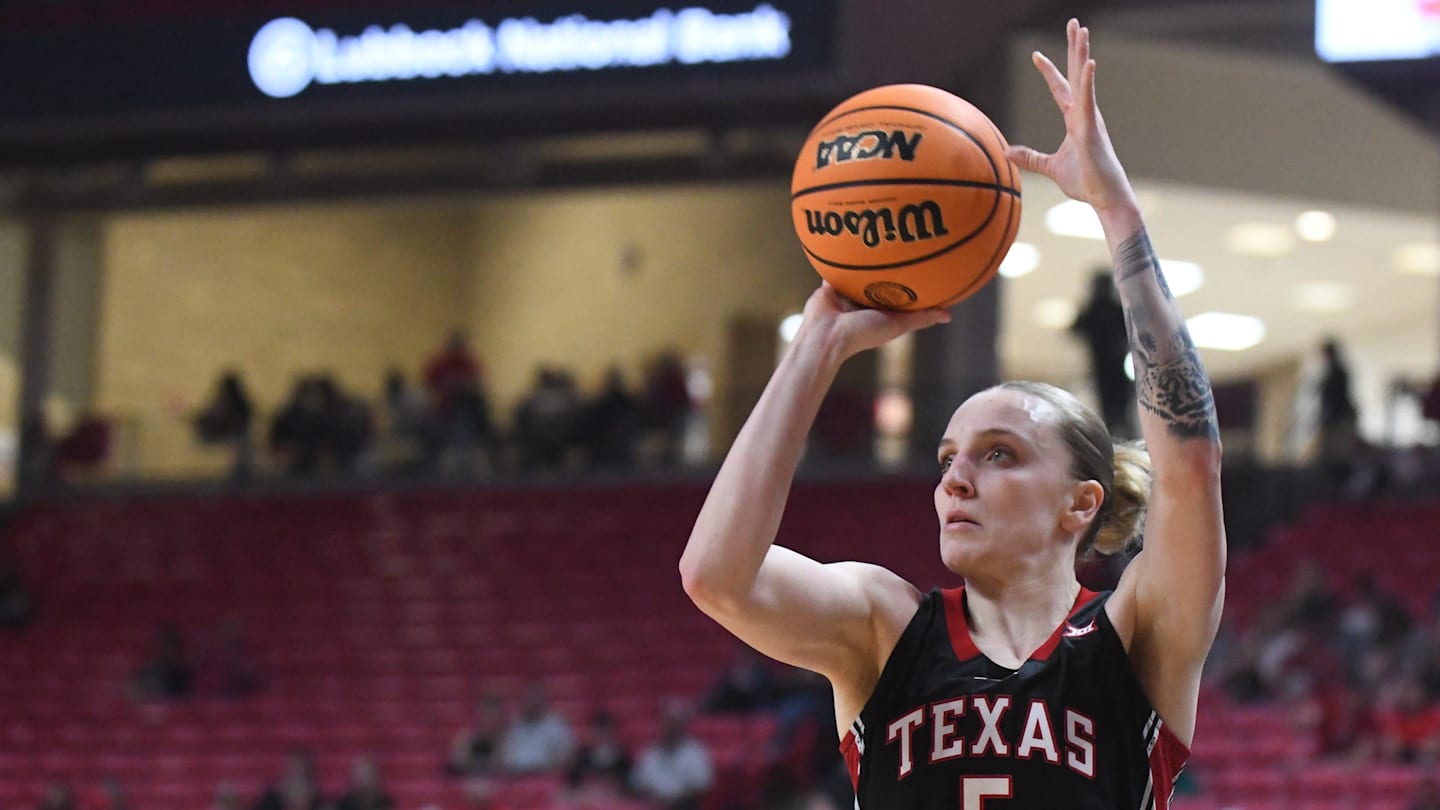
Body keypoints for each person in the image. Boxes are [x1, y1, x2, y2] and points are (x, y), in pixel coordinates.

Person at [679, 20, 1224, 810]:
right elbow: (715, 577)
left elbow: (1191, 462)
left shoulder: (1139, 634)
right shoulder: (883, 625)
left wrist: (1115, 211)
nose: (957, 478)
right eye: (946, 459)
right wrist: (816, 351)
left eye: (1000, 453)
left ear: (1082, 501)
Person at [1071, 269, 1135, 437]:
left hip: (1111, 368)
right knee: (1115, 408)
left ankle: (1117, 430)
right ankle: (1116, 430)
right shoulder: (1105, 309)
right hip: (1107, 368)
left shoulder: (1105, 309)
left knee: (1115, 407)